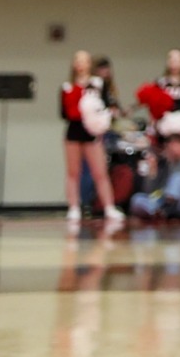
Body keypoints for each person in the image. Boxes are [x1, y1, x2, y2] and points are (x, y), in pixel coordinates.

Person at [60, 49, 122, 225]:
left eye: (84, 60)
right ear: (74, 64)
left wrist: (100, 121)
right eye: (77, 60)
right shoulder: (67, 86)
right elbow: (63, 113)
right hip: (73, 131)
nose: (80, 64)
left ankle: (109, 208)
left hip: (92, 133)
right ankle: (73, 207)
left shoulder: (98, 84)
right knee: (73, 172)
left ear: (89, 64)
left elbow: (106, 106)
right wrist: (76, 110)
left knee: (100, 172)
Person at [128, 122, 180, 220]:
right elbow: (150, 192)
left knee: (178, 178)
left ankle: (164, 208)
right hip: (158, 200)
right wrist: (152, 173)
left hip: (177, 203)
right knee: (137, 199)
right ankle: (157, 212)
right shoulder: (160, 163)